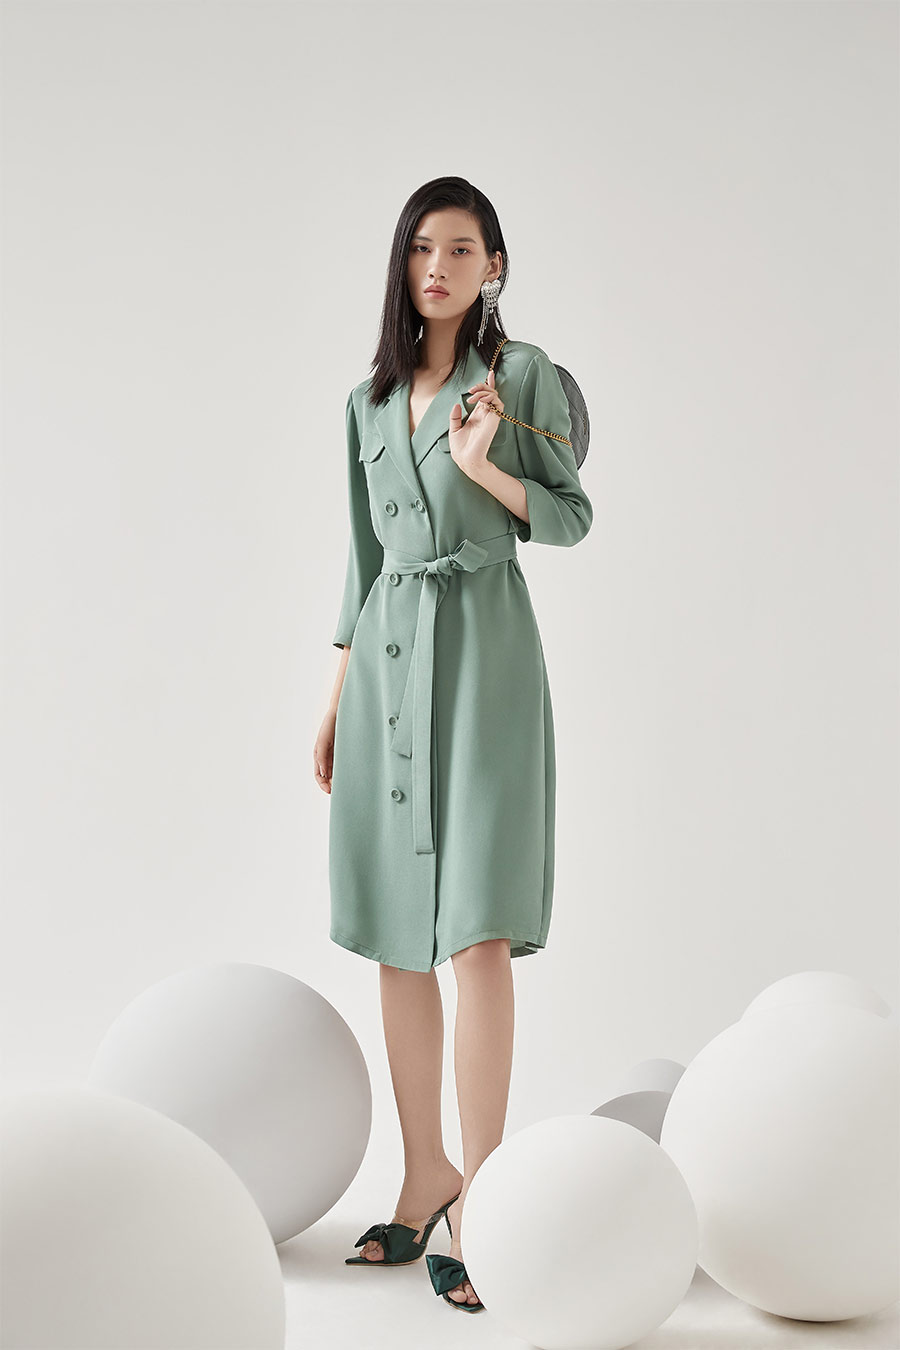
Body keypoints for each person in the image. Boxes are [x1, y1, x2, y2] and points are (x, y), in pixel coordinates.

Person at [313, 176, 593, 1312]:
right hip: (386, 671)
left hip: (485, 665)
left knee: (475, 934)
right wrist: (333, 699)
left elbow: (570, 516)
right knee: (398, 936)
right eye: (423, 248)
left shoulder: (518, 379)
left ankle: (484, 1197)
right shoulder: (367, 402)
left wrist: (484, 467)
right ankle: (422, 1168)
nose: (438, 267)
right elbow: (363, 563)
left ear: (495, 266)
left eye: (462, 249)